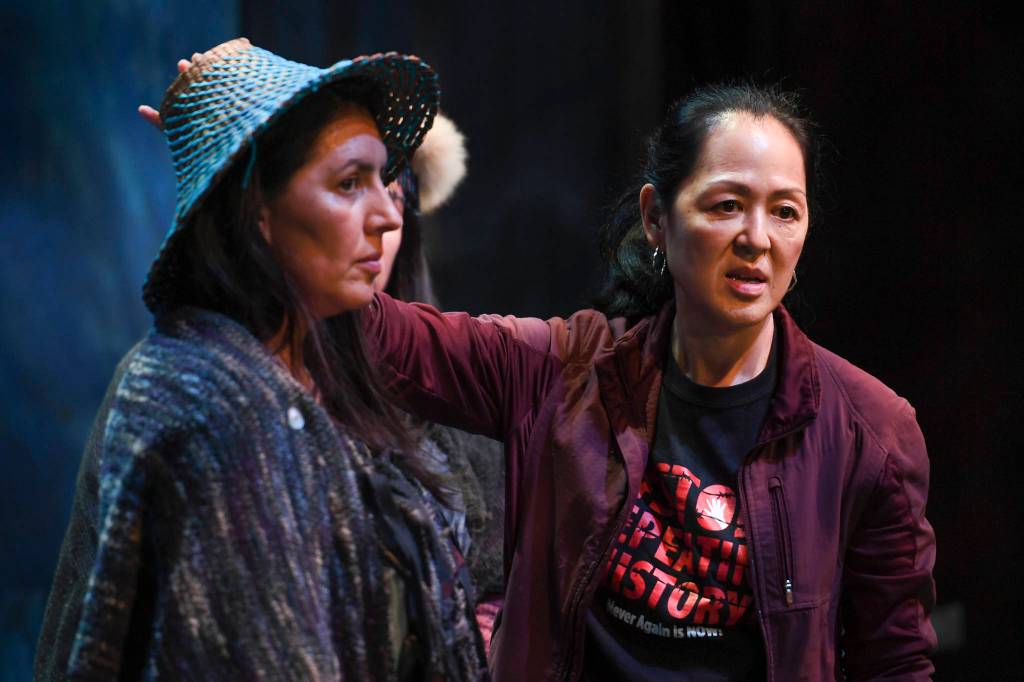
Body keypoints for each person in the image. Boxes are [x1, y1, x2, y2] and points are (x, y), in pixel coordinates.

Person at [358, 84, 937, 680]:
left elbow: (892, 660)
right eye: (726, 205)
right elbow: (385, 337)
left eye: (785, 211)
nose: (758, 238)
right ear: (657, 218)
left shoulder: (871, 431)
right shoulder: (565, 371)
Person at [35, 38, 486, 680]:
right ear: (259, 212)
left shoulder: (339, 371)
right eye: (350, 183)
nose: (390, 215)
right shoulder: (200, 396)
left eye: (389, 182)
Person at [378, 115, 507, 653]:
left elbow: (504, 580)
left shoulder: (445, 384)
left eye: (392, 195)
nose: (380, 218)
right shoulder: (206, 382)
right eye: (346, 187)